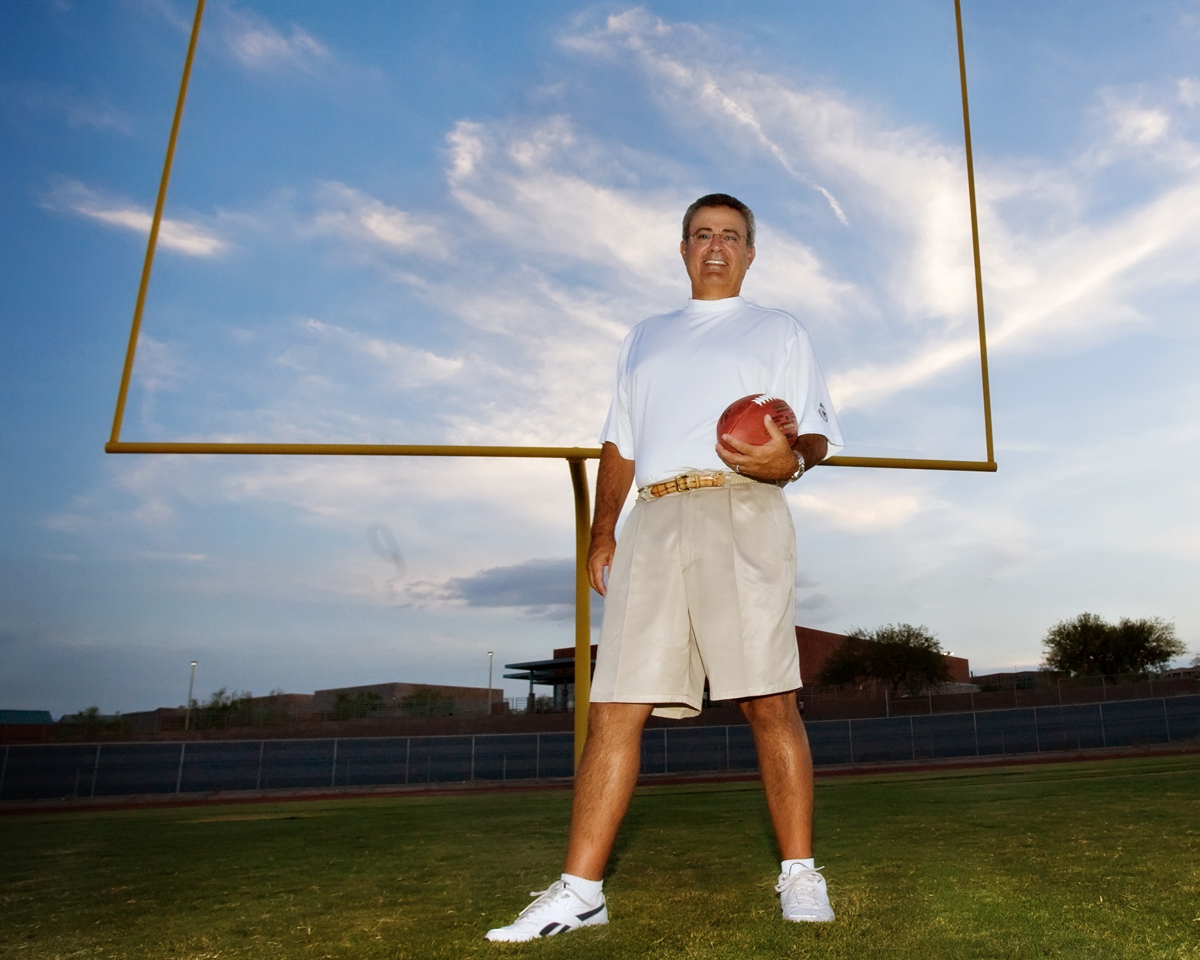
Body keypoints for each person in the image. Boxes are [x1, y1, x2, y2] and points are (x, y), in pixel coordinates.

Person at [485, 193, 844, 942]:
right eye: (702, 234)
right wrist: (602, 531)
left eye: (732, 236)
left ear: (750, 254)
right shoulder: (644, 336)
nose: (716, 246)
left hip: (740, 503)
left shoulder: (779, 329)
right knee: (615, 706)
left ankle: (799, 871)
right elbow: (619, 442)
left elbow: (813, 434)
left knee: (769, 700)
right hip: (653, 515)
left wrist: (788, 461)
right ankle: (581, 891)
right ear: (683, 249)